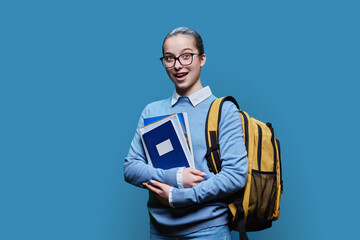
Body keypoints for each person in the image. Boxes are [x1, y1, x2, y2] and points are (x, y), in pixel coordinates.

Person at [124, 27, 248, 240]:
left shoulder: (224, 111)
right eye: (169, 58)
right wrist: (175, 177)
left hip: (208, 231)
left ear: (202, 59)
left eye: (186, 56)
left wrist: (179, 196)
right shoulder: (152, 111)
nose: (178, 65)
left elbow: (236, 174)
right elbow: (131, 168)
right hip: (160, 231)